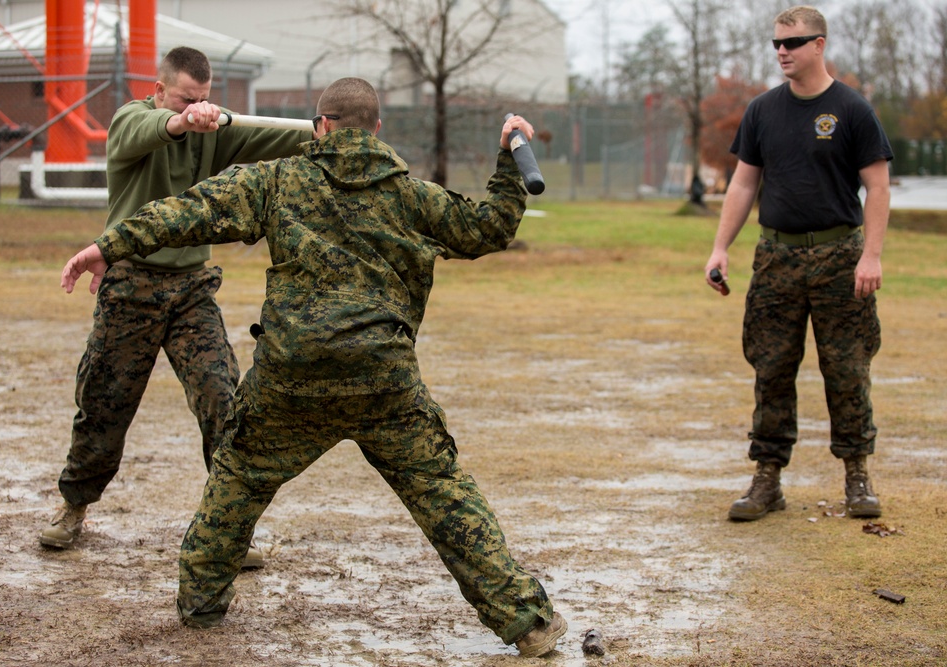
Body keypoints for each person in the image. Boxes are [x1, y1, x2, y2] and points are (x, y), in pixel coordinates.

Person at [60, 77, 568, 657]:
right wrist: (508, 160)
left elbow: (191, 212)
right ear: (376, 129)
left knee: (240, 476)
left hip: (291, 376)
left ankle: (201, 602)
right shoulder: (409, 195)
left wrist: (111, 244)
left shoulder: (279, 179)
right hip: (384, 377)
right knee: (441, 492)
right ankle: (527, 621)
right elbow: (488, 227)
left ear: (320, 124)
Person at [40, 46, 311, 569]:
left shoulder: (216, 132)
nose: (199, 107)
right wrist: (180, 119)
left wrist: (330, 132)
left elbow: (278, 137)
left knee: (223, 400)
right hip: (129, 288)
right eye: (188, 98)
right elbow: (147, 131)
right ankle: (74, 506)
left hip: (192, 291)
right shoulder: (131, 120)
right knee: (104, 404)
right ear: (161, 90)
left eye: (205, 99)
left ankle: (231, 527)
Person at [705, 6, 893, 521]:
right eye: (777, 44)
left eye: (794, 42)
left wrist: (871, 256)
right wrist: (721, 248)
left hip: (840, 257)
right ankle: (767, 480)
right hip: (776, 258)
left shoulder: (853, 109)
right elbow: (744, 183)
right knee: (771, 368)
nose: (783, 52)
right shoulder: (763, 110)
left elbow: (877, 187)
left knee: (848, 369)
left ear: (820, 45)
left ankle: (857, 476)